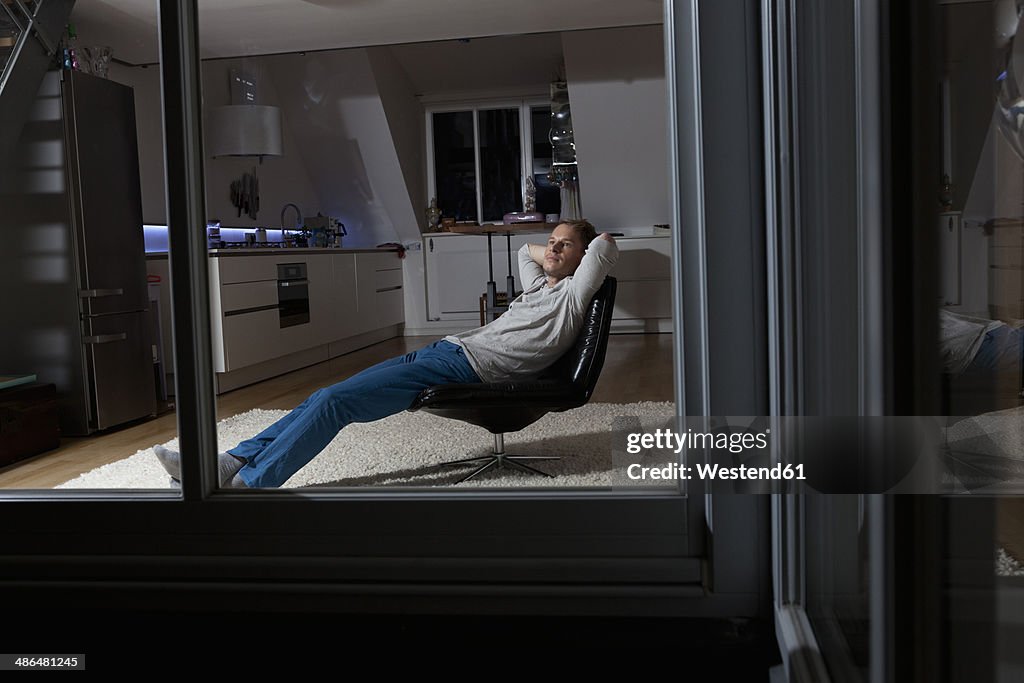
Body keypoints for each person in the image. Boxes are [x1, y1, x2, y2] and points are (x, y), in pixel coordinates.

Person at [154, 219, 619, 488]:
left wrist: (576, 249)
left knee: (338, 403)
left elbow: (604, 245)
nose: (553, 249)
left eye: (565, 245)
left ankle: (253, 483)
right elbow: (524, 249)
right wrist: (555, 250)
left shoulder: (574, 295)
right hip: (444, 351)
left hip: (467, 368)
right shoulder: (541, 285)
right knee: (327, 392)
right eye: (553, 242)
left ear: (582, 260)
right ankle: (230, 462)